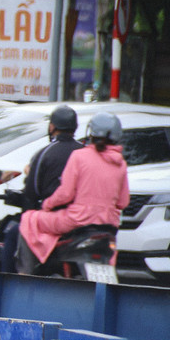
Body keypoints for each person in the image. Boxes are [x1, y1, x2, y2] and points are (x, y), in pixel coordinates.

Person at [18, 111, 129, 272]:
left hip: (77, 220)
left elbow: (65, 194)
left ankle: (25, 277)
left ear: (91, 132)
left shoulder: (79, 156)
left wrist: (47, 205)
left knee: (29, 219)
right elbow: (123, 202)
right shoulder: (121, 163)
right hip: (109, 226)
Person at [0, 105, 82, 272]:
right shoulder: (87, 153)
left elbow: (32, 192)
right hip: (94, 221)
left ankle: (11, 285)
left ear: (52, 127)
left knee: (15, 232)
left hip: (60, 219)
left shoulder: (46, 154)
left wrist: (46, 204)